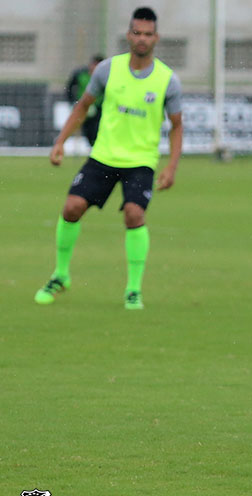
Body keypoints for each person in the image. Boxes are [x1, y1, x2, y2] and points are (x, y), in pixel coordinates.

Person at [35, 7, 183, 309]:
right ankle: (61, 275)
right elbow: (82, 106)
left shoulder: (168, 80)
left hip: (141, 161)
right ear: (128, 35)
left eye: (148, 34)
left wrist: (171, 166)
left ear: (157, 38)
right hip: (103, 156)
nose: (142, 39)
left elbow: (177, 125)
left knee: (134, 214)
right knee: (71, 207)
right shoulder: (107, 70)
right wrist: (60, 142)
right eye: (137, 33)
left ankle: (133, 290)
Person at [66, 54, 105, 145]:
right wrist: (72, 101)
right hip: (84, 108)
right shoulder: (80, 74)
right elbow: (69, 88)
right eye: (94, 65)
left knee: (98, 132)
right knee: (88, 132)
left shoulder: (105, 76)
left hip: (100, 109)